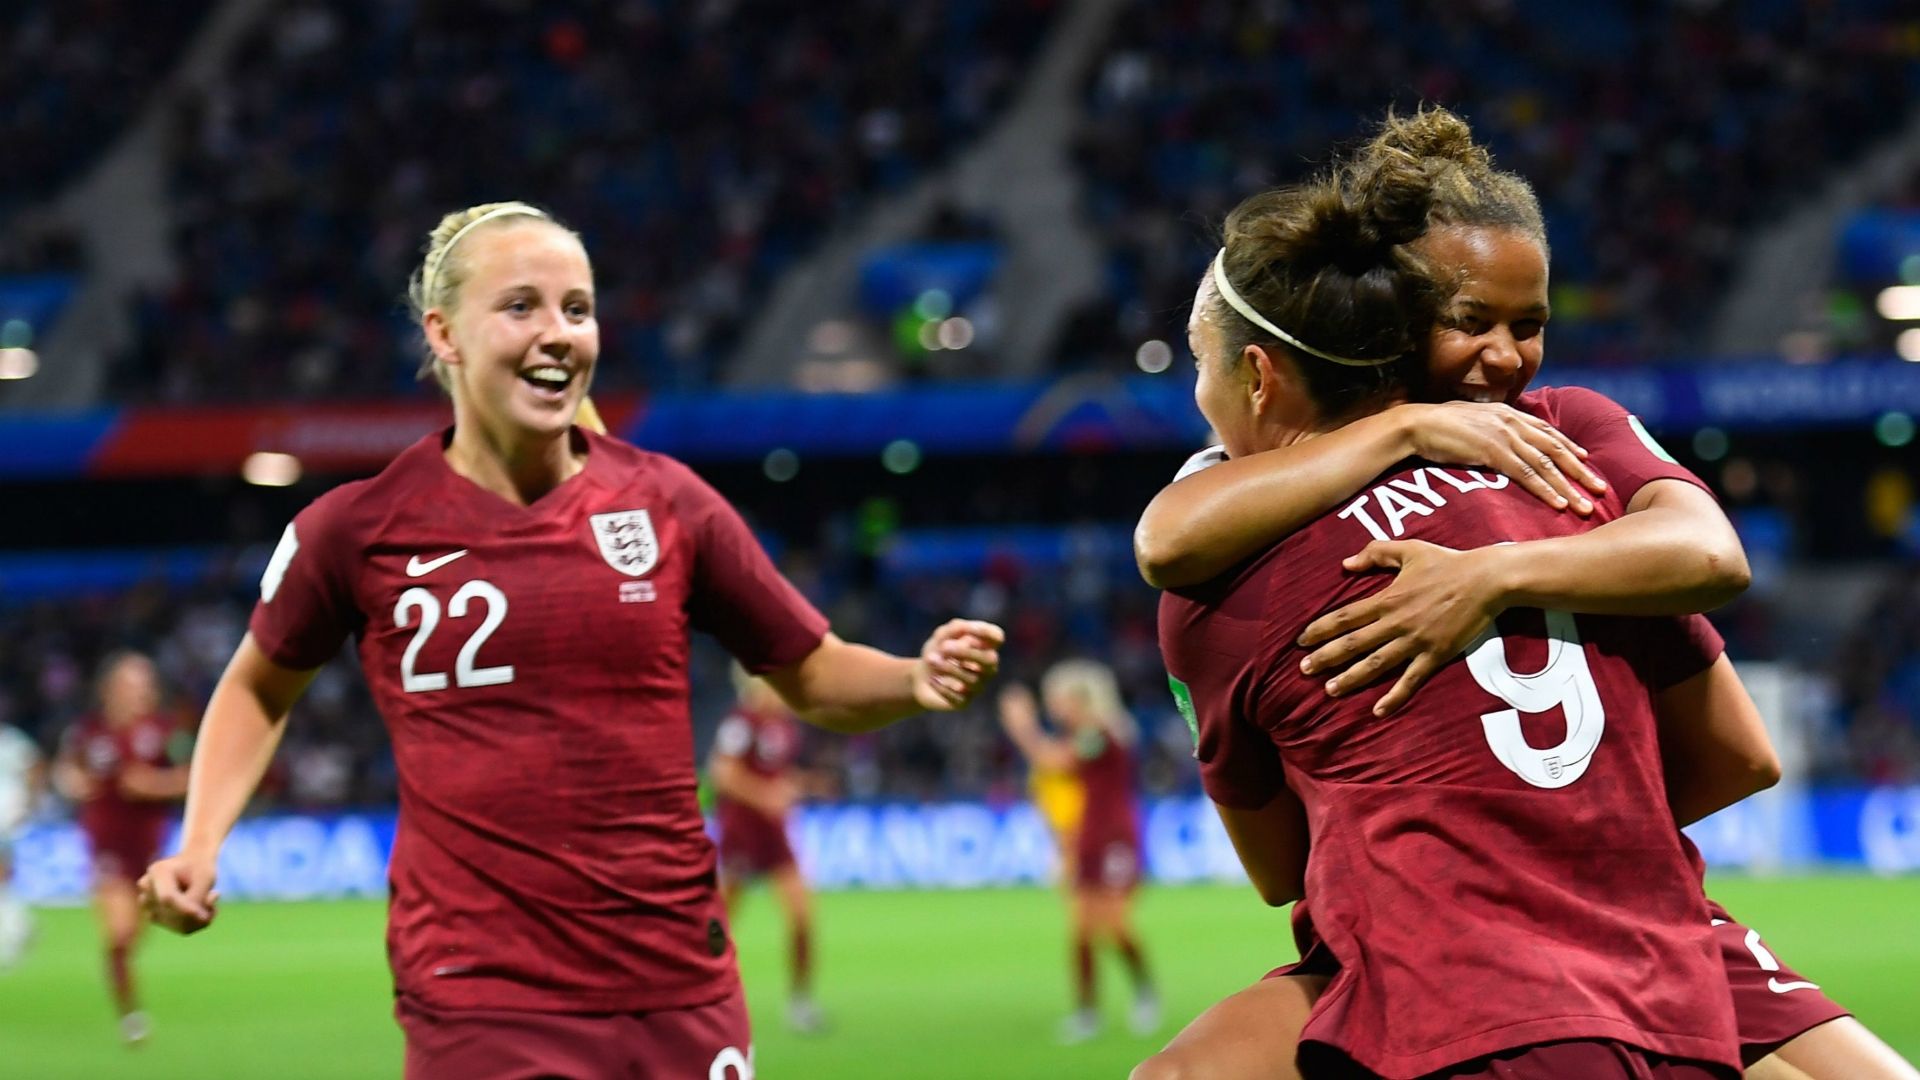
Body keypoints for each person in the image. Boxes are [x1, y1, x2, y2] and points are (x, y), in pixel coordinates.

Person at [137, 201, 1004, 1079]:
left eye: (577, 309)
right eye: (521, 307)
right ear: (444, 333)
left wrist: (914, 678)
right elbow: (257, 686)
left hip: (679, 984)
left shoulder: (671, 504)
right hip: (482, 993)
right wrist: (200, 844)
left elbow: (812, 673)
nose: (559, 334)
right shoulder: (356, 529)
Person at [1136, 108, 1914, 1080]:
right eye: (1471, 322)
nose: (1505, 356)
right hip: (1622, 910)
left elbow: (1712, 552)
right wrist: (1408, 435)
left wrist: (1491, 578)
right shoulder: (1565, 482)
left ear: (1255, 377)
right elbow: (1739, 754)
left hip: (1475, 943)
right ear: (1394, 317)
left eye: (1532, 325)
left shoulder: (1274, 536)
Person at [998, 660, 1158, 1043]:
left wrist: (1022, 726)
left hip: (1116, 839)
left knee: (1114, 925)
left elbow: (1054, 761)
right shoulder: (1091, 734)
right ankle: (1088, 1013)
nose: (1054, 707)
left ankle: (1145, 993)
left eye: (1059, 699)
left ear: (1081, 699)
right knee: (1082, 930)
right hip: (1089, 836)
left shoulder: (1101, 732)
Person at [53, 651, 190, 1042]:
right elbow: (68, 769)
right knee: (120, 932)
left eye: (146, 683)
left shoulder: (167, 732)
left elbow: (192, 776)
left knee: (137, 933)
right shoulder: (90, 733)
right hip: (106, 846)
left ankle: (125, 993)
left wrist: (154, 784)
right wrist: (72, 782)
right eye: (132, 683)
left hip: (149, 849)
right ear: (110, 689)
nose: (141, 691)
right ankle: (131, 1016)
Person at [709, 669, 824, 1034]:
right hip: (741, 831)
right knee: (719, 924)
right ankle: (707, 1000)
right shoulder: (741, 724)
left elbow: (775, 775)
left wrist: (800, 786)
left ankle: (801, 1003)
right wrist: (767, 796)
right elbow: (722, 773)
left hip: (775, 834)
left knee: (802, 916)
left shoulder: (785, 726)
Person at [0, 720, 45, 970]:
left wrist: (29, 801)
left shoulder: (8, 739)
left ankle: (17, 927)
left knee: (2, 873)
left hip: (5, 816)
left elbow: (35, 765)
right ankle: (19, 925)